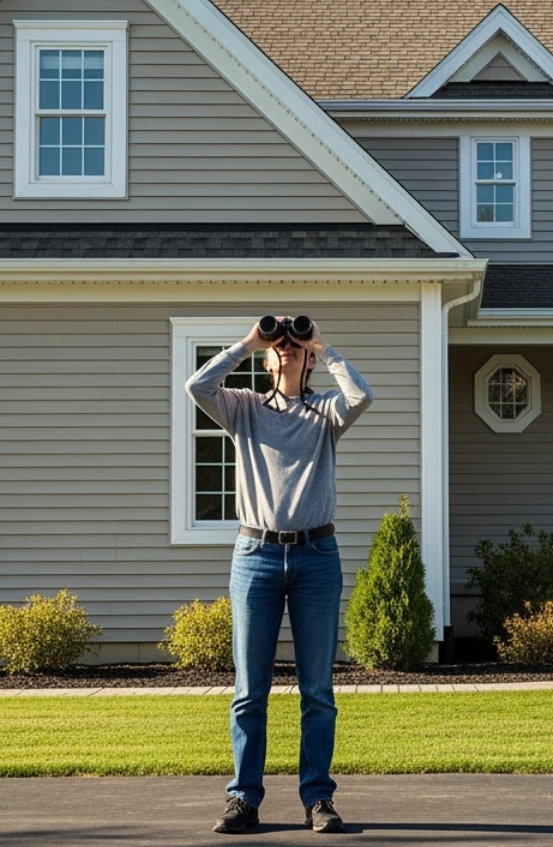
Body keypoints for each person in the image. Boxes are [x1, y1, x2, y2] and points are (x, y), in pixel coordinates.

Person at [185, 316, 373, 834]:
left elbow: (361, 395)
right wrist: (249, 341)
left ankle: (318, 799)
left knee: (318, 691)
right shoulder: (243, 408)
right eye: (280, 344)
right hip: (256, 556)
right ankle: (243, 798)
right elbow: (196, 385)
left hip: (316, 557)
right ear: (267, 359)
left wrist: (323, 345)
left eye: (296, 346)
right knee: (250, 690)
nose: (287, 349)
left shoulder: (324, 411)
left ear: (307, 358)